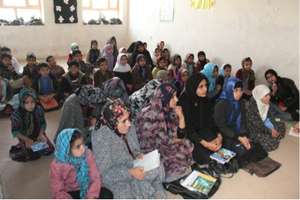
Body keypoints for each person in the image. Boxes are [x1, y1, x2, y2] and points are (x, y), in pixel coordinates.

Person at [92, 99, 166, 199]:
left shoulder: (129, 127)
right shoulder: (101, 137)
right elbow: (105, 176)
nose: (129, 124)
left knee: (158, 167)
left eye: (128, 118)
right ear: (112, 122)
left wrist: (138, 154)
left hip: (133, 165)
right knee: (127, 194)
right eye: (124, 121)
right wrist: (130, 172)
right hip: (118, 178)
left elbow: (134, 150)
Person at [136, 83, 194, 182]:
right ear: (164, 98)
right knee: (180, 153)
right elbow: (162, 142)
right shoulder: (148, 115)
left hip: (167, 143)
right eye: (173, 97)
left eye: (176, 96)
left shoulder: (168, 109)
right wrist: (180, 140)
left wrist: (181, 117)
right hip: (153, 150)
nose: (177, 99)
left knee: (186, 145)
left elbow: (181, 134)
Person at [214, 77, 267, 166]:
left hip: (237, 131)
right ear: (229, 89)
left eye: (241, 90)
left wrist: (244, 136)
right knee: (239, 152)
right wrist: (239, 138)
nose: (239, 93)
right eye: (236, 90)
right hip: (224, 133)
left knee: (256, 147)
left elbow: (242, 121)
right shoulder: (221, 104)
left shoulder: (241, 102)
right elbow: (221, 127)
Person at [50, 128, 113, 199]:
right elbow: (58, 190)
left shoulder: (87, 154)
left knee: (107, 194)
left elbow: (95, 177)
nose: (83, 148)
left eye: (83, 143)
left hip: (87, 187)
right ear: (66, 150)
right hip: (70, 192)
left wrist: (91, 196)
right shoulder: (57, 165)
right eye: (78, 146)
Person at [179, 73, 222, 165]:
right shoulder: (185, 101)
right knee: (207, 157)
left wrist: (218, 136)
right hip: (190, 136)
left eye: (206, 85)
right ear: (193, 87)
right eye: (201, 87)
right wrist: (206, 143)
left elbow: (210, 120)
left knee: (220, 146)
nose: (205, 89)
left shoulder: (204, 99)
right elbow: (188, 129)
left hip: (203, 131)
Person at [9, 88, 54, 161]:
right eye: (26, 102)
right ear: (22, 102)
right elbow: (15, 132)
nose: (30, 105)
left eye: (32, 102)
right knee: (32, 155)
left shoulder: (38, 109)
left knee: (49, 149)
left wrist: (41, 135)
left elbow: (43, 124)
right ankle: (24, 146)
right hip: (24, 136)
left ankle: (35, 145)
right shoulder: (16, 115)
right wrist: (27, 140)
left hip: (37, 133)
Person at [245, 84, 286, 152]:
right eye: (266, 96)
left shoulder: (265, 102)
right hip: (253, 129)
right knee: (272, 143)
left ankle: (272, 135)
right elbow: (257, 125)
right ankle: (268, 137)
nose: (269, 97)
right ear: (259, 96)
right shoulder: (251, 107)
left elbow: (270, 116)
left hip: (264, 122)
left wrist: (273, 126)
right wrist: (270, 131)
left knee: (281, 125)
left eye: (269, 95)